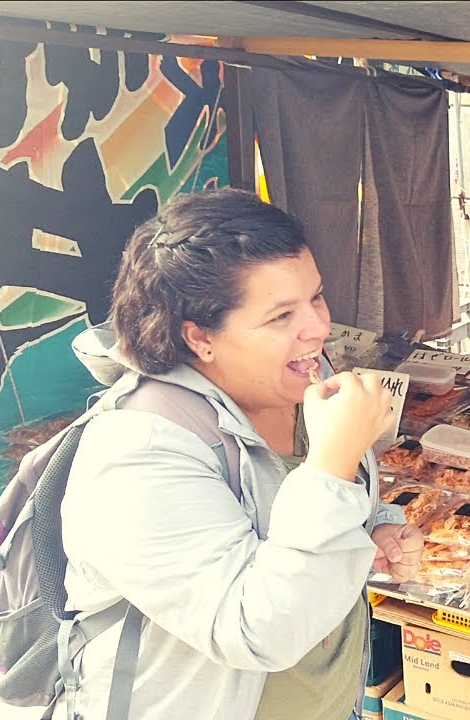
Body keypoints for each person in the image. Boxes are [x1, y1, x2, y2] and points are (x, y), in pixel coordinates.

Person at [57, 188, 422, 720]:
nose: (318, 327)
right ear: (201, 337)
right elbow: (256, 632)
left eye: (315, 297)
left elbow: (307, 519)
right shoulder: (138, 452)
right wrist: (335, 463)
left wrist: (376, 527)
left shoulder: (305, 387)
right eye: (281, 316)